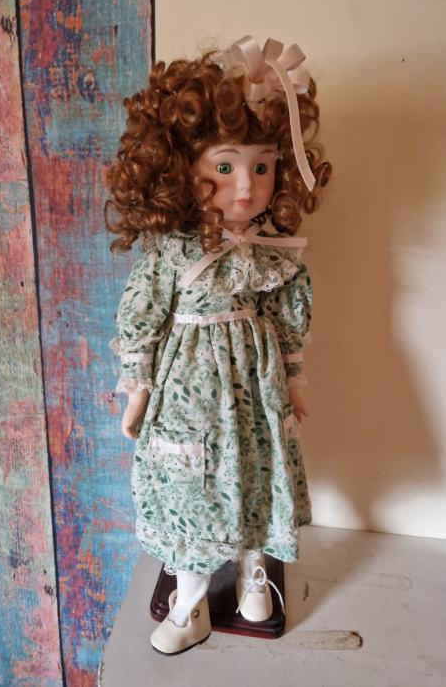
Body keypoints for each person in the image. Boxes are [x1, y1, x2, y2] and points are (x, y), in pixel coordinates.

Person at [105, 35, 331, 655]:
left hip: (255, 390)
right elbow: (142, 316)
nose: (246, 187)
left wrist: (293, 380)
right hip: (188, 395)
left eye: (262, 166)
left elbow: (286, 318)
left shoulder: (269, 253)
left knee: (257, 473)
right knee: (190, 489)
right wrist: (137, 388)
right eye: (226, 167)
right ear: (183, 167)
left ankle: (256, 575)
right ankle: (191, 602)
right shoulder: (174, 252)